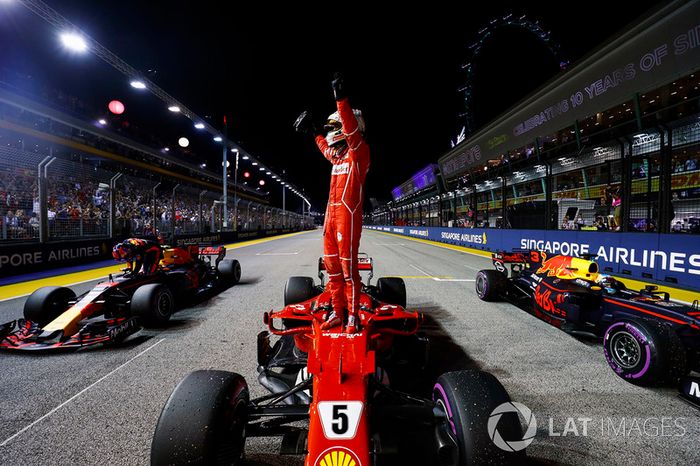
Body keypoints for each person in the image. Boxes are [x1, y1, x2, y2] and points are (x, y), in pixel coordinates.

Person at [294, 73, 370, 334]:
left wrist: (341, 100)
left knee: (349, 272)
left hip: (347, 217)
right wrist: (313, 130)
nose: (330, 133)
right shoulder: (337, 158)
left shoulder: (359, 154)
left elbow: (349, 130)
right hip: (330, 218)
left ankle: (353, 316)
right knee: (333, 272)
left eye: (331, 128)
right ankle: (338, 313)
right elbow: (323, 147)